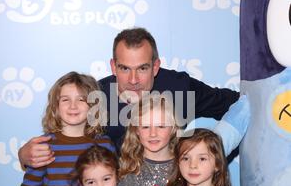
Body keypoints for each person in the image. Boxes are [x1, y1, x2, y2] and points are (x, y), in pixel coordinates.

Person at [17, 27, 239, 164]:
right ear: (113, 67)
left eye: (142, 68)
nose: (133, 80)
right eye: (124, 68)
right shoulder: (96, 97)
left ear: (155, 67)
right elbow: (64, 141)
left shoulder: (179, 88)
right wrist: (24, 155)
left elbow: (238, 105)